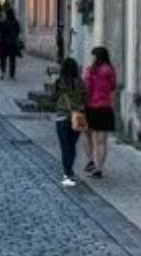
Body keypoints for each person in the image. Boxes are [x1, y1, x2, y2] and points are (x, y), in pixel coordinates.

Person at [83, 46, 119, 178]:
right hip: (105, 107)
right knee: (102, 140)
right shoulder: (110, 70)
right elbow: (113, 86)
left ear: (96, 57)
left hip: (90, 107)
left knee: (87, 135)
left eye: (93, 56)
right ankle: (99, 168)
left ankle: (90, 161)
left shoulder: (90, 71)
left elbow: (86, 87)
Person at [51, 56, 84, 186]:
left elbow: (53, 98)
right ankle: (69, 170)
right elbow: (85, 98)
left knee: (64, 147)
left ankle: (67, 172)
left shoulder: (59, 82)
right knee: (72, 146)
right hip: (77, 116)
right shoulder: (80, 83)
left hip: (62, 117)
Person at [0, 6, 23, 80]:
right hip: (12, 43)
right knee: (12, 60)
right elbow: (18, 32)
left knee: (3, 59)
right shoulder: (15, 22)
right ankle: (12, 75)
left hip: (3, 44)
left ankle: (2, 73)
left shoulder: (3, 22)